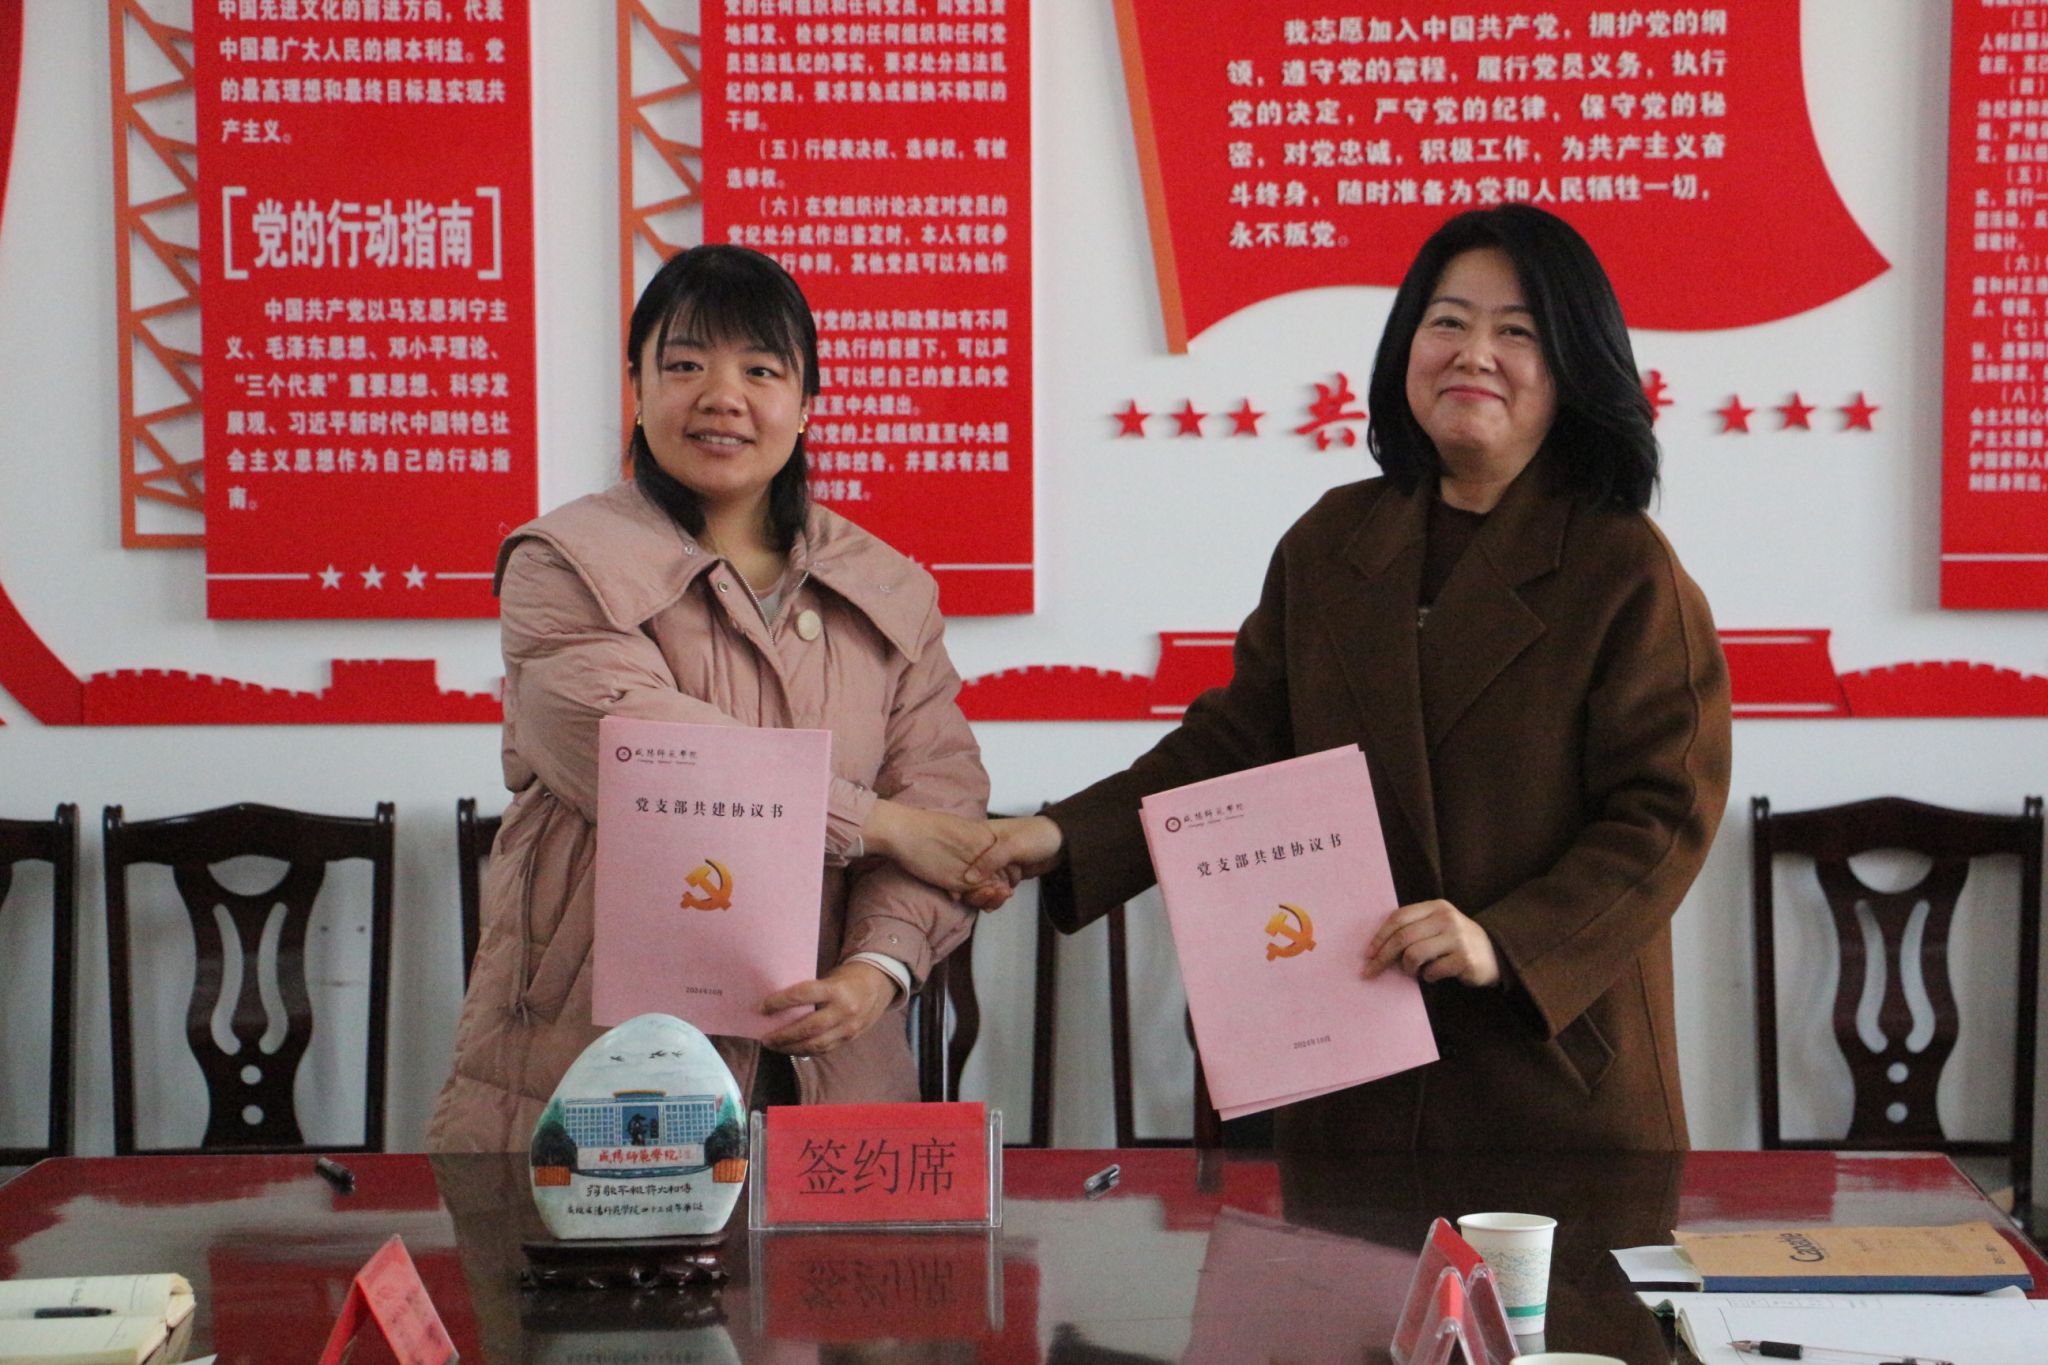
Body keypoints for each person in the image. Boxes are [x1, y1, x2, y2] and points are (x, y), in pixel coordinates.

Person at [967, 205, 1732, 1152]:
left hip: (1548, 1070)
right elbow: (1235, 748)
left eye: (1518, 332)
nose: (1474, 353)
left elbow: (1665, 813)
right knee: (1341, 1254)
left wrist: (1504, 940)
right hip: (1350, 1065)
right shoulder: (1332, 541)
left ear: (1575, 365)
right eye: (1447, 321)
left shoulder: (1624, 565)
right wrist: (1058, 835)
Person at [430, 245, 995, 1150]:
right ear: (638, 389)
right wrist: (883, 825)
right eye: (686, 365)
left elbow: (942, 799)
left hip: (833, 1067)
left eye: (760, 371)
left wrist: (877, 968)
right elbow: (650, 757)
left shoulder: (888, 587)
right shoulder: (560, 563)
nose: (722, 396)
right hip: (600, 1060)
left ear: (806, 404)